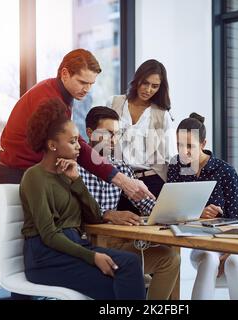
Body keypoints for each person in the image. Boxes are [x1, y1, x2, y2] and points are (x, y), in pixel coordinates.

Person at [20, 98, 145, 300]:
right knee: (116, 282)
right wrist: (92, 256)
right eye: (72, 142)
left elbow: (95, 216)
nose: (79, 147)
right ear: (52, 145)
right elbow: (49, 235)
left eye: (78, 140)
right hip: (45, 257)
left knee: (131, 263)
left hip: (73, 246)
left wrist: (76, 181)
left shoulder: (67, 173)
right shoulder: (35, 177)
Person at [0, 49, 153, 204]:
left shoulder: (58, 93)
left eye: (91, 84)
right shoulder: (50, 100)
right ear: (64, 74)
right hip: (15, 175)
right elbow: (78, 147)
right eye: (82, 82)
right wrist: (122, 180)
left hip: (27, 173)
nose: (87, 89)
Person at [78, 106, 180, 300]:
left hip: (114, 244)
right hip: (85, 246)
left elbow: (146, 203)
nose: (114, 140)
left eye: (117, 134)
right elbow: (72, 211)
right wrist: (107, 214)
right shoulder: (74, 166)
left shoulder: (121, 167)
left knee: (170, 259)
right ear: (90, 132)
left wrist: (172, 211)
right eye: (108, 133)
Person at [167, 113, 238, 300]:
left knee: (234, 262)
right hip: (204, 244)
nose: (183, 152)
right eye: (179, 145)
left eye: (190, 146)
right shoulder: (175, 167)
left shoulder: (224, 171)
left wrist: (230, 250)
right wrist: (198, 213)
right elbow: (171, 210)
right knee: (210, 259)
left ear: (203, 144)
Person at [106, 59, 176, 214]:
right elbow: (100, 139)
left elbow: (170, 157)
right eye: (145, 83)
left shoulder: (162, 114)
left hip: (150, 181)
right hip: (118, 179)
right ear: (137, 80)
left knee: (148, 232)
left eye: (155, 86)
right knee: (119, 229)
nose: (148, 89)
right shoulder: (114, 103)